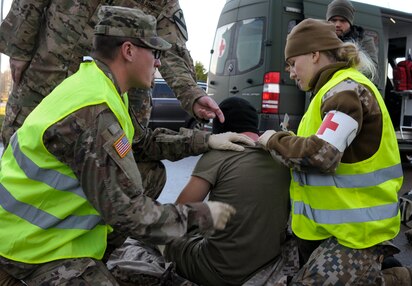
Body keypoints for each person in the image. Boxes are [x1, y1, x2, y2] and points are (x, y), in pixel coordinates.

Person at [0, 6, 257, 284]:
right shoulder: (94, 112)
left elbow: (141, 142)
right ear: (129, 51)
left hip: (36, 234)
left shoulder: (99, 86)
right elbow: (129, 214)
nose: (158, 63)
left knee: (150, 171)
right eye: (155, 53)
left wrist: (207, 140)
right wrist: (201, 215)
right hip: (29, 249)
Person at [258, 18, 412, 285]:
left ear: (314, 54)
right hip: (323, 228)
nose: (290, 72)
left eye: (292, 62)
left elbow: (322, 155)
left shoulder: (346, 89)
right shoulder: (326, 92)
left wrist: (273, 140)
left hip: (358, 233)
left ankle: (397, 279)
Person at [0, 0, 223, 148]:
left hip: (116, 95)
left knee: (127, 168)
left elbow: (170, 48)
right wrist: (20, 46)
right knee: (22, 147)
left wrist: (192, 94)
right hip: (48, 72)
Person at [164, 97, 291, 286]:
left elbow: (179, 213)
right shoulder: (281, 157)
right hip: (267, 262)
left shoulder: (218, 154)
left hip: (219, 271)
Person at [326, 0, 378, 69]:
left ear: (350, 23)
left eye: (343, 20)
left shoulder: (364, 40)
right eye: (333, 20)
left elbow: (373, 69)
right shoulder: (320, 38)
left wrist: (356, 59)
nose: (337, 24)